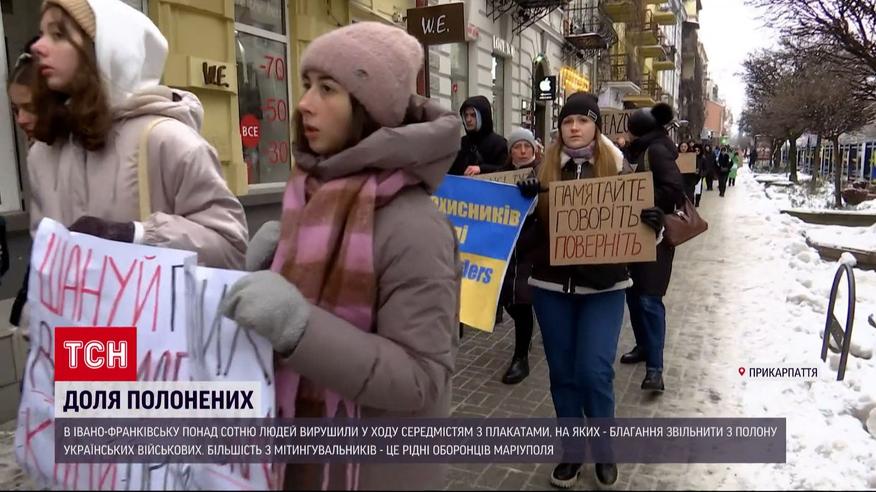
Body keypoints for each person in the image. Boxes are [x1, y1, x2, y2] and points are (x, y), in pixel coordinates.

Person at [220, 22, 461, 490]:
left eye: (327, 88)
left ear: (368, 110)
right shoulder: (308, 197)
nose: (304, 103)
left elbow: (420, 378)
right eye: (307, 84)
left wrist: (297, 326)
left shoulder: (415, 227)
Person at [28, 0, 248, 270]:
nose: (37, 46)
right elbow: (43, 253)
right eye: (41, 34)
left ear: (107, 49)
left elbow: (231, 247)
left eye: (58, 34)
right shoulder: (43, 152)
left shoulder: (169, 141)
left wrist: (137, 235)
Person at [515, 93, 664, 489]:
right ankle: (571, 451)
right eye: (567, 121)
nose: (574, 127)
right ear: (559, 128)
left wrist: (654, 223)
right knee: (563, 374)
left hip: (604, 288)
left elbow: (640, 233)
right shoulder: (542, 171)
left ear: (596, 127)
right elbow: (522, 239)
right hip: (551, 288)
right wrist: (524, 205)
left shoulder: (619, 169)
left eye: (582, 120)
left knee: (594, 371)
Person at [619, 103, 686, 393]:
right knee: (633, 296)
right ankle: (643, 347)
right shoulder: (638, 151)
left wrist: (644, 201)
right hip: (633, 234)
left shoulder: (656, 151)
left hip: (655, 236)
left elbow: (674, 190)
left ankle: (655, 370)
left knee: (649, 299)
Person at [498, 128, 541, 385]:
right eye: (517, 146)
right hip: (506, 247)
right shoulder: (501, 175)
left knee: (522, 300)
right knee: (510, 301)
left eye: (527, 146)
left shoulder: (544, 172)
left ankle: (520, 357)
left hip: (532, 247)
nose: (523, 151)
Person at [7, 39, 38, 330]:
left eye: (30, 107)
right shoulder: (40, 155)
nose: (21, 119)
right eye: (15, 110)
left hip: (105, 316)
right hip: (63, 320)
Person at [449, 95, 508, 176]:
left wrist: (482, 169)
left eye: (473, 115)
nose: (468, 120)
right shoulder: (461, 143)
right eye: (466, 115)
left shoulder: (499, 144)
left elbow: (506, 170)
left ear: (483, 116)